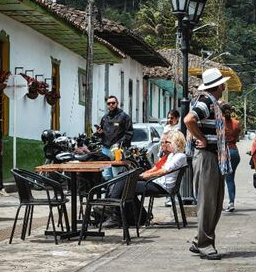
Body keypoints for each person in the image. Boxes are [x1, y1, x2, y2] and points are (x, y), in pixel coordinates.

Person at [185, 68, 231, 260]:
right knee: (208, 202)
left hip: (212, 157)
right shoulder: (206, 103)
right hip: (206, 156)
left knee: (215, 201)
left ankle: (199, 240)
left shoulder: (211, 103)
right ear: (219, 85)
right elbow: (189, 119)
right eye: (222, 83)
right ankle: (205, 243)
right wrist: (202, 138)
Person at [101, 131, 188, 228]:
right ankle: (132, 216)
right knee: (124, 178)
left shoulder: (180, 156)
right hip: (156, 182)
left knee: (126, 184)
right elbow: (157, 169)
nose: (165, 144)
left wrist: (143, 177)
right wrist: (142, 175)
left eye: (168, 142)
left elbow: (163, 171)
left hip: (162, 186)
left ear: (175, 142)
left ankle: (113, 211)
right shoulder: (172, 155)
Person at [96, 96, 133, 181]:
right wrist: (99, 133)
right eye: (109, 103)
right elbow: (101, 135)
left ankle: (117, 193)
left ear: (117, 103)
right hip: (105, 149)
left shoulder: (124, 117)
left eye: (113, 103)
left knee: (117, 175)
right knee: (106, 175)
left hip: (117, 150)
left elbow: (129, 133)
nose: (111, 105)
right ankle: (110, 193)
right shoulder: (104, 118)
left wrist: (119, 144)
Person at [221, 103, 242, 212]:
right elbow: (237, 138)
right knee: (230, 178)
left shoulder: (219, 122)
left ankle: (219, 203)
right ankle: (231, 202)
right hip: (234, 151)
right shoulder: (237, 123)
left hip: (224, 151)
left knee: (220, 179)